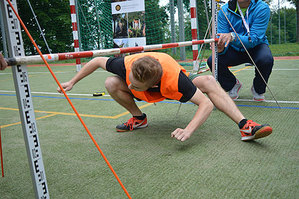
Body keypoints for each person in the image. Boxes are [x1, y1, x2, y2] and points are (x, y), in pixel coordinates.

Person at [56, 52, 272, 142]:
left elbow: (205, 104)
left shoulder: (176, 81)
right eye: (130, 79)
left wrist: (189, 130)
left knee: (209, 82)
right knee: (111, 82)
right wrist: (72, 82)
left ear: (154, 84)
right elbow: (96, 61)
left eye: (135, 84)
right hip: (148, 92)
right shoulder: (125, 65)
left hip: (171, 88)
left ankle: (245, 126)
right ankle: (138, 118)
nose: (129, 84)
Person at [207, 0, 273, 101]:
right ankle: (232, 85)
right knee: (213, 60)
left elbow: (254, 39)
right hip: (234, 48)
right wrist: (220, 49)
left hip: (256, 47)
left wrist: (233, 36)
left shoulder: (262, 8)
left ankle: (258, 89)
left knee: (266, 59)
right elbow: (223, 37)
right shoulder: (224, 10)